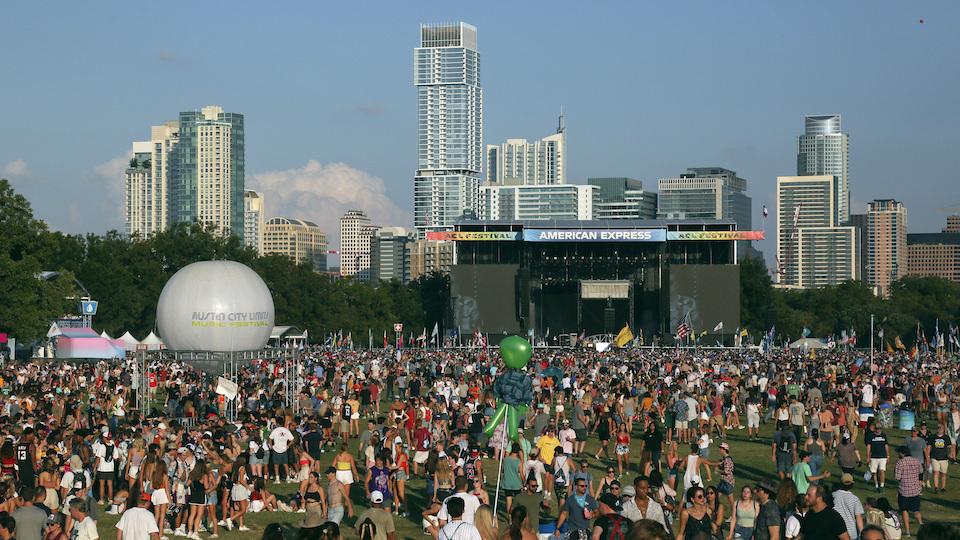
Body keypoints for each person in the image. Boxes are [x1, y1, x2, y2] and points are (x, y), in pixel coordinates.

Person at [556, 474, 598, 540]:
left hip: (585, 531)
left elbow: (598, 512)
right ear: (576, 487)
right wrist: (558, 528)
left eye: (586, 486)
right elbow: (564, 514)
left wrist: (592, 515)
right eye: (582, 486)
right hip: (572, 530)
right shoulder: (570, 500)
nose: (584, 488)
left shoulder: (590, 499)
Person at [894, 445, 924, 536]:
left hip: (904, 491)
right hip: (915, 489)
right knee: (916, 510)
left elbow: (897, 477)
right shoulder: (917, 461)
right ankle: (921, 523)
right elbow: (921, 471)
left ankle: (907, 531)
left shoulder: (900, 463)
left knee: (904, 510)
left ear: (903, 454)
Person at [831, 473, 864, 540]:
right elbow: (858, 518)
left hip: (835, 531)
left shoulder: (832, 496)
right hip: (851, 533)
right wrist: (862, 534)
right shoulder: (854, 499)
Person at [866, 422, 890, 493]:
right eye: (877, 429)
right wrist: (868, 456)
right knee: (874, 472)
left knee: (882, 471)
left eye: (880, 429)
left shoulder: (884, 436)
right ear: (875, 429)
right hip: (874, 456)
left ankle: (882, 486)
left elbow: (886, 446)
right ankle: (876, 486)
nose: (879, 430)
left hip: (883, 456)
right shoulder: (871, 436)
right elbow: (868, 446)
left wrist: (888, 456)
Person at [926, 423, 950, 493]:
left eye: (941, 428)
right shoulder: (932, 437)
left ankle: (943, 487)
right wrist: (928, 455)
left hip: (944, 458)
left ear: (943, 430)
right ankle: (936, 487)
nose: (939, 429)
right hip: (934, 457)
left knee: (943, 473)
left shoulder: (946, 437)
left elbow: (950, 446)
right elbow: (929, 446)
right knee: (936, 472)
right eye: (938, 428)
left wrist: (951, 453)